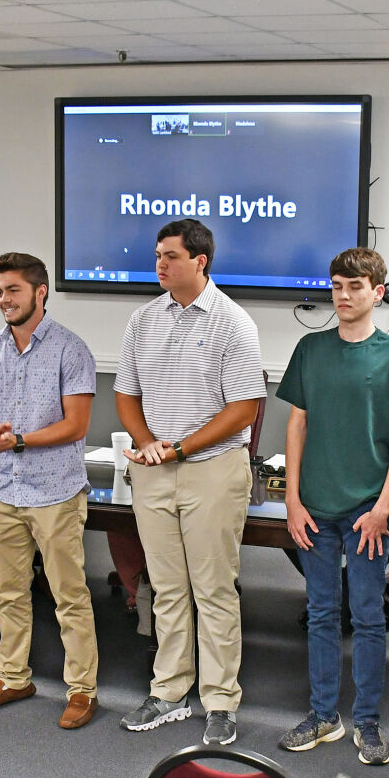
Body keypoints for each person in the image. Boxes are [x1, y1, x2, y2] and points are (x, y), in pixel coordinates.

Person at [114, 218, 264, 745]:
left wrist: (179, 447)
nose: (160, 264)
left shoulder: (233, 322)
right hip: (154, 470)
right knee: (167, 587)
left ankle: (220, 700)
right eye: (157, 255)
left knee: (214, 588)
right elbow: (127, 395)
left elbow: (244, 407)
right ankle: (170, 691)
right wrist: (149, 441)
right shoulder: (143, 320)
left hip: (212, 470)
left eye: (170, 256)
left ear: (200, 261)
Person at [275, 248, 389, 766]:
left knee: (367, 616)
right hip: (314, 504)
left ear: (377, 293)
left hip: (367, 510)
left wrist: (385, 505)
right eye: (337, 285)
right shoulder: (310, 349)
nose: (343, 295)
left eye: (355, 286)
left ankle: (368, 721)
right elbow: (297, 424)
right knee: (319, 613)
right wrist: (292, 498)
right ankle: (322, 715)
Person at [0, 252, 100, 730]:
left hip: (56, 491)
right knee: (9, 593)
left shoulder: (71, 349)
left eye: (14, 290)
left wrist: (18, 439)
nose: (5, 300)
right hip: (3, 488)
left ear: (40, 292)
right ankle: (12, 677)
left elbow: (76, 425)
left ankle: (82, 689)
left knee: (69, 595)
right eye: (0, 291)